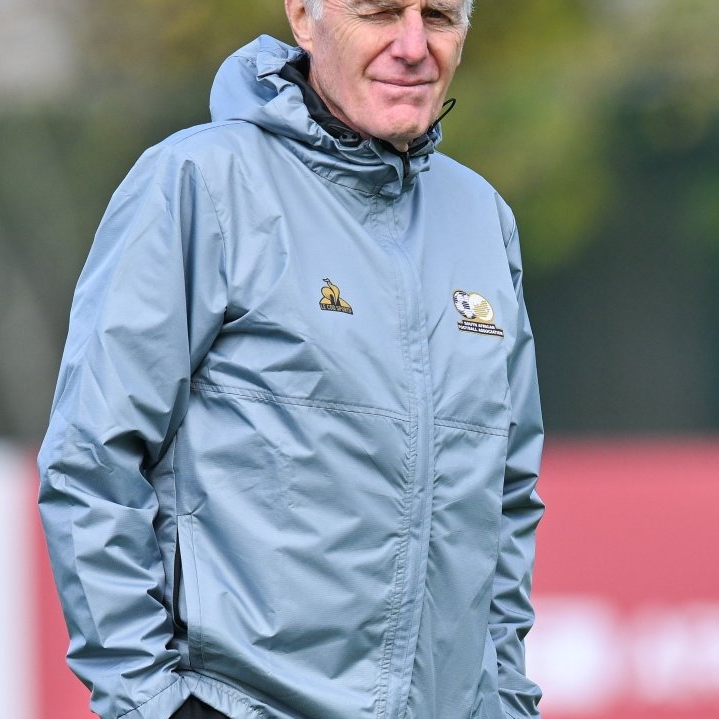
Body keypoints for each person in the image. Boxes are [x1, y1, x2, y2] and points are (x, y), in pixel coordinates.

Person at [37, 1, 545, 717]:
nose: (412, 45)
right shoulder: (197, 183)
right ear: (304, 17)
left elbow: (508, 496)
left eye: (438, 15)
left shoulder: (482, 217)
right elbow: (92, 462)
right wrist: (152, 702)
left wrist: (509, 701)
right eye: (379, 12)